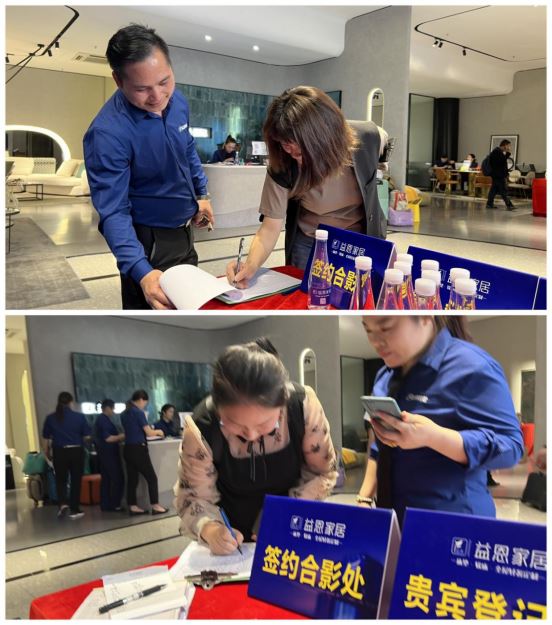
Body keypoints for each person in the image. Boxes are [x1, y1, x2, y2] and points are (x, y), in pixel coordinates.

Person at [84, 25, 214, 310]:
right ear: (118, 80)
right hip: (147, 241)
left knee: (193, 309)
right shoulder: (107, 133)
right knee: (154, 312)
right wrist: (141, 271)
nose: (157, 96)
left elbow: (187, 148)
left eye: (164, 81)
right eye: (142, 89)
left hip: (184, 231)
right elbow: (113, 212)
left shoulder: (177, 102)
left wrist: (201, 194)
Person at [174, 338, 338, 555]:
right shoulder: (201, 426)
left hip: (293, 525)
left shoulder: (303, 406)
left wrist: (283, 516)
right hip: (233, 540)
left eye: (263, 424)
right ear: (218, 408)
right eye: (234, 424)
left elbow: (323, 472)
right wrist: (211, 530)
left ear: (282, 404)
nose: (251, 435)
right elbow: (193, 496)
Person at [357, 316, 524, 526]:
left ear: (425, 316)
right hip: (394, 522)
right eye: (368, 330)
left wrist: (433, 437)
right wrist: (364, 498)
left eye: (386, 327)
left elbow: (511, 447)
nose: (375, 342)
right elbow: (380, 447)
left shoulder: (472, 367)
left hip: (453, 526)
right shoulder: (384, 376)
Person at [226, 85, 388, 284]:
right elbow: (269, 228)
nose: (293, 154)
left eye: (302, 150)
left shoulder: (367, 137)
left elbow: (382, 149)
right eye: (286, 145)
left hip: (359, 240)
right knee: (307, 295)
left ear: (326, 138)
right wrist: (250, 266)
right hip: (311, 243)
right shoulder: (283, 164)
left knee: (360, 295)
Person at [42, 392, 91, 519]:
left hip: (59, 452)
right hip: (76, 451)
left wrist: (46, 452)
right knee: (76, 480)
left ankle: (63, 504)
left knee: (60, 480)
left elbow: (46, 438)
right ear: (71, 402)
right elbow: (87, 436)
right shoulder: (79, 417)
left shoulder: (50, 418)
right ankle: (74, 508)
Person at [120, 390, 169, 515]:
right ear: (141, 399)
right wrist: (159, 432)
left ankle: (133, 506)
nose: (144, 406)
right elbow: (149, 432)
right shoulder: (138, 412)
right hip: (139, 449)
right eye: (145, 403)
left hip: (128, 449)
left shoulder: (124, 413)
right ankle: (155, 506)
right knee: (152, 478)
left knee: (132, 479)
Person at [94, 399, 125, 511]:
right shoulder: (103, 421)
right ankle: (115, 504)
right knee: (117, 478)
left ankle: (106, 504)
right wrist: (123, 436)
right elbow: (108, 438)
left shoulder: (102, 420)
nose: (113, 411)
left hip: (104, 454)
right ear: (107, 408)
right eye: (112, 409)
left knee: (106, 480)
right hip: (109, 454)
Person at [486, 139, 515, 210]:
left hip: (497, 175)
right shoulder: (496, 152)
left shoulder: (498, 152)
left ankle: (489, 204)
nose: (509, 147)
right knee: (503, 190)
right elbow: (501, 162)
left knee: (493, 190)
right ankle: (509, 205)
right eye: (508, 146)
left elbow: (501, 163)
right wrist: (508, 154)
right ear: (504, 145)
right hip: (498, 175)